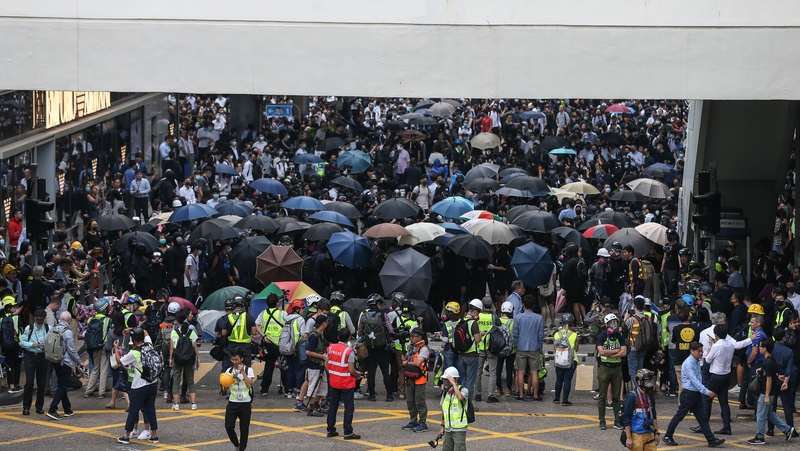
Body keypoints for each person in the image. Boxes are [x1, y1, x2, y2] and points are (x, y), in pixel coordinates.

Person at [661, 342, 725, 448]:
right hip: (688, 394)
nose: (701, 353)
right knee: (679, 416)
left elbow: (699, 378)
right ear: (692, 351)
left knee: (702, 418)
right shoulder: (688, 364)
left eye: (701, 351)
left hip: (695, 394)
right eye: (698, 351)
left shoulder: (696, 361)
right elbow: (694, 380)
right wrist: (706, 391)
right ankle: (668, 436)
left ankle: (711, 439)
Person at [747, 337, 796, 444]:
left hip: (766, 392)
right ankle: (787, 430)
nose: (759, 348)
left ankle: (760, 437)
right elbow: (771, 373)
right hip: (769, 392)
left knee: (761, 415)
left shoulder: (769, 362)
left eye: (760, 346)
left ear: (765, 349)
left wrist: (766, 395)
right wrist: (762, 370)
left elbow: (769, 379)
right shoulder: (770, 360)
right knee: (770, 414)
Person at [114, 327, 159, 444]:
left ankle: (126, 436)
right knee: (150, 410)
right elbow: (145, 332)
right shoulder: (149, 345)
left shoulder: (133, 353)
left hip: (139, 385)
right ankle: (154, 435)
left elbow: (119, 362)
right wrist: (132, 329)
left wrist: (115, 348)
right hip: (152, 383)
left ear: (133, 340)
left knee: (133, 410)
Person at [47, 311, 84, 420]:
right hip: (65, 362)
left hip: (55, 360)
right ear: (69, 320)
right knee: (62, 386)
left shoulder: (53, 329)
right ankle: (52, 409)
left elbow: (45, 343)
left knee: (62, 384)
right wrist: (79, 361)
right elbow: (71, 350)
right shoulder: (67, 332)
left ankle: (67, 409)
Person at [326, 328, 362, 441]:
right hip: (346, 383)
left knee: (333, 406)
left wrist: (334, 372)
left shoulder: (330, 348)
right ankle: (348, 432)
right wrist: (357, 374)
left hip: (334, 381)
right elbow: (351, 369)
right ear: (349, 338)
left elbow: (326, 364)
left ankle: (330, 430)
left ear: (338, 337)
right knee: (349, 408)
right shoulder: (349, 351)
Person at [357, 294, 394, 402]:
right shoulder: (383, 315)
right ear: (378, 304)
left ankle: (372, 395)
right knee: (385, 371)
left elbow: (360, 332)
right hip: (382, 348)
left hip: (370, 348)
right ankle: (389, 395)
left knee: (371, 372)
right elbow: (390, 330)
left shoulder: (364, 316)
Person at [596, 313, 626, 430]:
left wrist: (609, 354)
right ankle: (602, 420)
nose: (614, 325)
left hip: (617, 368)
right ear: (606, 324)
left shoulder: (620, 336)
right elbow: (601, 352)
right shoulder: (602, 336)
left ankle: (617, 420)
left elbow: (624, 352)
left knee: (617, 397)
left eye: (615, 322)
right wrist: (616, 351)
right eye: (611, 323)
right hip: (604, 368)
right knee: (602, 396)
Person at [512, 294, 544, 402]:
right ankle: (535, 395)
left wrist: (516, 344)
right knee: (534, 372)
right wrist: (539, 345)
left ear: (523, 304)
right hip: (534, 347)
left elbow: (515, 334)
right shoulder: (539, 318)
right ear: (534, 305)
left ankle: (521, 395)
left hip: (521, 347)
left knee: (520, 372)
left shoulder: (518, 317)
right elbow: (541, 334)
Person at [223, 347, 255, 451]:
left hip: (245, 403)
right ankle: (236, 444)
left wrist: (243, 373)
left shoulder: (249, 370)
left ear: (242, 359)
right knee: (228, 426)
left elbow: (249, 385)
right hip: (232, 402)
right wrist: (226, 382)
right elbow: (225, 389)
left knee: (244, 429)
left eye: (236, 359)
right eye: (232, 359)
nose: (234, 362)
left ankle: (242, 448)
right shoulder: (229, 371)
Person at [255, 293, 286, 396]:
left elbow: (257, 325)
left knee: (268, 366)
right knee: (283, 366)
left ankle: (264, 389)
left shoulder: (263, 313)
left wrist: (264, 336)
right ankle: (287, 389)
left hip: (268, 344)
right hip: (279, 344)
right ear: (277, 303)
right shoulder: (283, 314)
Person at [622, 368, 661, 451]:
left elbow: (654, 415)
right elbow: (626, 418)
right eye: (646, 382)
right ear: (639, 382)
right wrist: (629, 438)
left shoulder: (650, 395)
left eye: (650, 382)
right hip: (637, 435)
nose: (649, 384)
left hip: (649, 433)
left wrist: (656, 432)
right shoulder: (632, 397)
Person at [19, 308, 49, 415]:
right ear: (34, 318)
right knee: (29, 382)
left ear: (45, 318)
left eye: (41, 317)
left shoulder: (48, 328)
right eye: (37, 317)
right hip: (30, 356)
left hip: (43, 357)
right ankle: (26, 407)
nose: (39, 319)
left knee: (41, 382)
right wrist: (32, 344)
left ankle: (39, 407)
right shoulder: (29, 328)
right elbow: (22, 342)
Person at [170, 311, 199, 411]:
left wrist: (170, 358)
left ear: (177, 320)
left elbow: (171, 348)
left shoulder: (174, 332)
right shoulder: (191, 332)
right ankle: (193, 404)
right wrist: (198, 358)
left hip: (177, 359)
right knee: (190, 380)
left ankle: (176, 404)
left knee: (176, 380)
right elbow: (195, 347)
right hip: (189, 359)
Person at [401, 328, 430, 432]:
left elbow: (418, 363)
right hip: (409, 377)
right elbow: (408, 359)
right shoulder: (411, 348)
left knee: (419, 402)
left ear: (420, 337)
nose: (411, 338)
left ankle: (423, 423)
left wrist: (406, 363)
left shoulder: (424, 349)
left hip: (419, 378)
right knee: (410, 401)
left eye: (413, 336)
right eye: (411, 336)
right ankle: (413, 421)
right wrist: (404, 359)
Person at [84, 298, 112, 399]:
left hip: (94, 346)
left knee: (95, 368)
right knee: (104, 369)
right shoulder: (107, 320)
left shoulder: (91, 319)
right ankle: (101, 392)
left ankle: (89, 391)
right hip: (104, 346)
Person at [475, 297, 500, 403]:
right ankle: (491, 395)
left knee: (478, 372)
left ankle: (478, 395)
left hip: (479, 346)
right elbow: (499, 327)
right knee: (493, 372)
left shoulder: (478, 316)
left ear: (482, 306)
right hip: (491, 346)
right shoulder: (494, 317)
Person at [438, 366, 469, 451]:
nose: (446, 383)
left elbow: (460, 398)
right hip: (448, 429)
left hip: (459, 429)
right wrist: (442, 426)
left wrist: (454, 384)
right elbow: (444, 411)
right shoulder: (446, 394)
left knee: (459, 449)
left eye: (448, 380)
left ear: (456, 379)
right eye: (445, 380)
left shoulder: (464, 390)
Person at [304, 314, 329, 417]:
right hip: (314, 366)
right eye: (326, 322)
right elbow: (308, 352)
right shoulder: (314, 336)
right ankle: (311, 409)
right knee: (313, 387)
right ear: (323, 323)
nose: (327, 324)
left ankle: (317, 406)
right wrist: (322, 356)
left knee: (321, 387)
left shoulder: (319, 335)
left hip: (320, 365)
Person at [553, 313, 578, 406]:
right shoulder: (574, 335)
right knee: (567, 380)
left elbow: (554, 348)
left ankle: (556, 398)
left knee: (559, 379)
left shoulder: (556, 334)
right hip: (571, 360)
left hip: (559, 359)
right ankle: (565, 400)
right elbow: (576, 348)